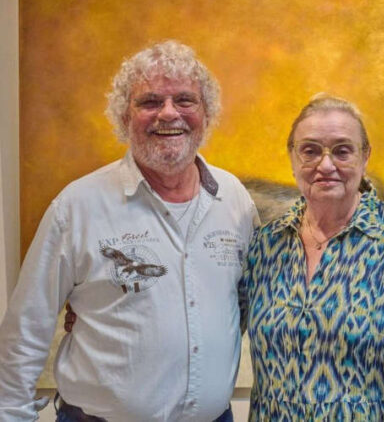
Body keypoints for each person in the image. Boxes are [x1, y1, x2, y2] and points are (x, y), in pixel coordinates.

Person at [0, 40, 258, 421]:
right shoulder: (76, 207)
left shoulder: (234, 199)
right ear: (124, 116)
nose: (169, 114)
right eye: (150, 101)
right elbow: (26, 330)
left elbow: (245, 301)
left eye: (185, 100)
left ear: (207, 113)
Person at [239, 94, 384, 420]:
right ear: (292, 157)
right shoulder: (266, 245)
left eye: (342, 151)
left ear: (365, 156)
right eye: (310, 150)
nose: (325, 166)